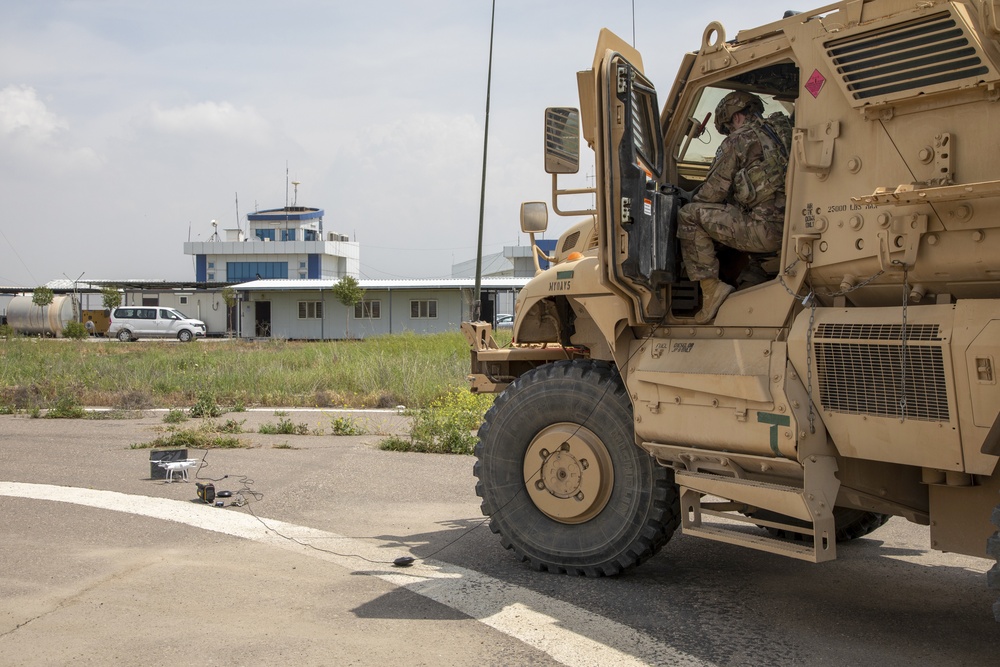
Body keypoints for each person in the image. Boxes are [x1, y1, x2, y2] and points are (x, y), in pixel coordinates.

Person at [677, 90, 792, 324]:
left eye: (728, 127)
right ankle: (749, 295)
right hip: (794, 231)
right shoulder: (786, 132)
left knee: (689, 215)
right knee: (751, 253)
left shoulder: (739, 139)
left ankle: (711, 291)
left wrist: (689, 199)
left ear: (736, 117)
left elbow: (711, 194)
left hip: (766, 233)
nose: (730, 131)